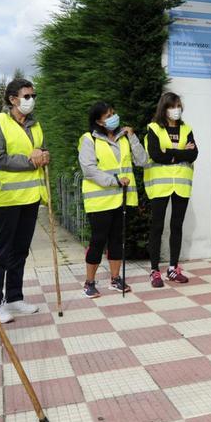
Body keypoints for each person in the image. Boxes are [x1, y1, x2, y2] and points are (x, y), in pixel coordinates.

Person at [0, 78, 49, 323]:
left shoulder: (35, 125)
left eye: (33, 96)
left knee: (20, 250)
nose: (31, 100)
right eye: (27, 96)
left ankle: (14, 296)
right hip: (7, 198)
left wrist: (44, 156)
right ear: (13, 99)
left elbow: (41, 150)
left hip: (31, 197)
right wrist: (30, 161)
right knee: (0, 251)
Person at [79, 102, 149, 295]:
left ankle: (115, 279)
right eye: (108, 115)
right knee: (98, 240)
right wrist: (115, 180)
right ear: (98, 121)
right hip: (100, 200)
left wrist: (133, 137)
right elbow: (89, 170)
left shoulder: (124, 138)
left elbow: (142, 160)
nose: (113, 117)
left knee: (117, 240)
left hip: (122, 199)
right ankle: (89, 282)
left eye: (113, 113)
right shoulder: (89, 139)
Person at [144, 92, 198, 287]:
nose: (176, 109)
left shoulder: (186, 128)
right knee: (157, 227)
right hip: (160, 185)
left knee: (177, 226)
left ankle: (173, 268)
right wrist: (182, 152)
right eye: (172, 106)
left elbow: (194, 154)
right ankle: (154, 270)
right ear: (164, 108)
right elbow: (157, 155)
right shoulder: (154, 128)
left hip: (181, 185)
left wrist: (173, 153)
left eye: (178, 105)